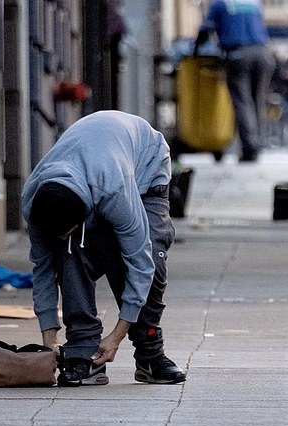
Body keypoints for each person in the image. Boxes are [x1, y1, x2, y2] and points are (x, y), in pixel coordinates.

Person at [21, 110, 186, 386]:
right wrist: (49, 340)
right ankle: (83, 350)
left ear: (82, 216)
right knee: (69, 251)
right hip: (93, 160)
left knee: (152, 261)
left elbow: (140, 263)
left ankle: (149, 354)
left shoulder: (115, 191)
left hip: (144, 168)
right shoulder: (35, 200)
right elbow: (43, 270)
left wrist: (116, 337)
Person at [194, 0, 276, 162]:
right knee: (257, 101)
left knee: (243, 102)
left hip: (238, 55)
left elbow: (206, 28)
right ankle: (257, 144)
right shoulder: (254, 3)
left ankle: (250, 147)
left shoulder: (220, 3)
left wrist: (197, 48)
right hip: (263, 54)